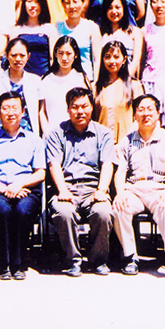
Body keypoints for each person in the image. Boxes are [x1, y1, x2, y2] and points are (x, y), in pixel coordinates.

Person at [113, 94, 165, 282]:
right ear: (135, 115)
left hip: (160, 189)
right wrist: (120, 193)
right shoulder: (126, 141)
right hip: (134, 189)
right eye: (141, 110)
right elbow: (120, 171)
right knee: (119, 207)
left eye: (150, 109)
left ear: (158, 112)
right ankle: (130, 256)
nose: (146, 114)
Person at [46, 88, 114, 277]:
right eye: (74, 107)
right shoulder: (56, 133)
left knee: (103, 212)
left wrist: (102, 190)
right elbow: (54, 164)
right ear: (68, 109)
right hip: (66, 187)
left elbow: (107, 163)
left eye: (84, 106)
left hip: (93, 187)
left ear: (92, 108)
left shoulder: (104, 133)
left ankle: (98, 260)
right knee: (64, 212)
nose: (80, 111)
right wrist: (62, 190)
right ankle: (73, 261)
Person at [0, 91, 46, 280]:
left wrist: (19, 184)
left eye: (15, 108)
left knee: (23, 211)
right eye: (5, 108)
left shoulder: (34, 140)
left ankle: (19, 263)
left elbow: (40, 173)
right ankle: (3, 264)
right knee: (3, 211)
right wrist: (5, 189)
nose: (10, 113)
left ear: (23, 111)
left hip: (26, 189)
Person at [39, 36, 93, 136]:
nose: (64, 58)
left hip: (76, 136)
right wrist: (47, 134)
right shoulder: (46, 80)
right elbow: (42, 111)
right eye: (60, 53)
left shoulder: (81, 79)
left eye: (68, 54)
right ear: (55, 54)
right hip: (52, 136)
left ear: (75, 55)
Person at [0, 37, 43, 136]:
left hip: (29, 136)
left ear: (28, 56)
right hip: (2, 136)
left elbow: (40, 112)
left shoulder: (36, 81)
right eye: (14, 55)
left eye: (22, 55)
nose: (18, 59)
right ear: (6, 55)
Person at [94, 40, 144, 143]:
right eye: (107, 57)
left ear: (124, 59)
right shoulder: (95, 87)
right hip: (102, 144)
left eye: (116, 57)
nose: (112, 61)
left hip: (127, 144)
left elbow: (140, 117)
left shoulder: (134, 86)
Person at [56, 0, 102, 82]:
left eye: (75, 1)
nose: (71, 6)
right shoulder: (57, 27)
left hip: (86, 81)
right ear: (62, 5)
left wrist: (95, 83)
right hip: (62, 81)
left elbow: (97, 59)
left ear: (83, 2)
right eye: (67, 2)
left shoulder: (92, 28)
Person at [9, 0, 57, 77]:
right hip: (21, 79)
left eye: (37, 1)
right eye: (29, 1)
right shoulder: (16, 30)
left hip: (44, 78)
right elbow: (10, 58)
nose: (33, 5)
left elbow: (53, 59)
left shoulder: (50, 29)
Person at [99, 0, 143, 77]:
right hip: (105, 80)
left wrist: (125, 80)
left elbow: (136, 60)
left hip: (127, 79)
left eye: (117, 7)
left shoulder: (135, 32)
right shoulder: (99, 32)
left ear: (124, 9)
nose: (114, 11)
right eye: (110, 8)